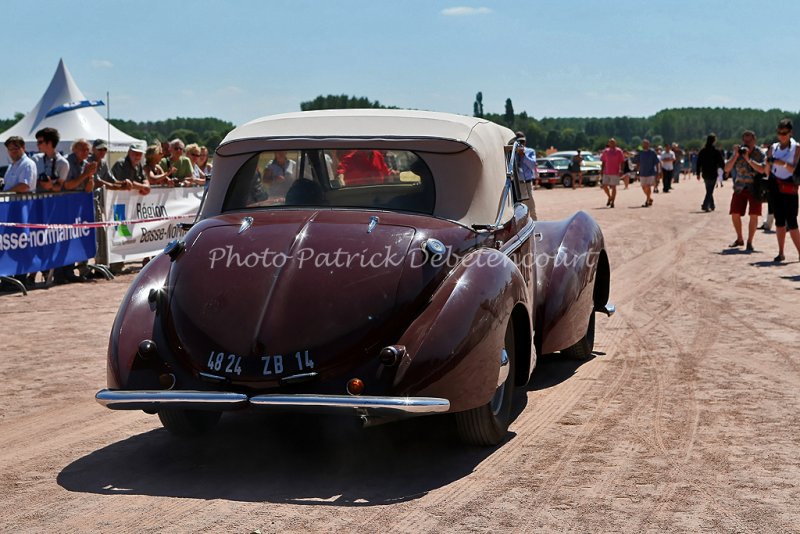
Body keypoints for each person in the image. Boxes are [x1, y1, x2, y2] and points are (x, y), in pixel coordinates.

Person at [724, 130, 766, 252]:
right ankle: (739, 238)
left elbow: (763, 169)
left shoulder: (759, 153)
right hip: (739, 187)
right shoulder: (739, 152)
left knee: (754, 214)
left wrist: (748, 160)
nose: (746, 143)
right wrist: (736, 155)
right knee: (735, 213)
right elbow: (727, 168)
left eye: (749, 140)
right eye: (745, 140)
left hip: (755, 187)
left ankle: (750, 242)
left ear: (754, 140)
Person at [765, 118, 800, 263]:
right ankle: (780, 252)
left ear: (790, 132)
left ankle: (799, 252)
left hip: (789, 186)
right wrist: (767, 164)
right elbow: (767, 169)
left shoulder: (797, 148)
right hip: (774, 185)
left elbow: (796, 170)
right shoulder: (773, 148)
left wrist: (783, 164)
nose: (782, 135)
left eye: (784, 133)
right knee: (779, 221)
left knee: (792, 222)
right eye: (779, 132)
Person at [31, 127, 69, 193]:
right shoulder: (35, 159)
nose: (37, 145)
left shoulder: (63, 163)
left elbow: (59, 186)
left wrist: (51, 186)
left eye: (40, 142)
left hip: (53, 201)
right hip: (36, 200)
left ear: (49, 143)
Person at [696, 133, 725, 212]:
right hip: (713, 172)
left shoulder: (702, 151)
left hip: (705, 172)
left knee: (709, 189)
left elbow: (698, 163)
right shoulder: (716, 151)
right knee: (710, 190)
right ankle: (705, 205)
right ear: (714, 141)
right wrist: (723, 170)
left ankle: (712, 205)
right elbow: (721, 162)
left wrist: (698, 173)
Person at [514, 136, 538, 220]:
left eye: (522, 141)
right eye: (519, 141)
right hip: (517, 183)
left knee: (530, 204)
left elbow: (532, 165)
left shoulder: (530, 151)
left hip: (527, 182)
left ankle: (535, 222)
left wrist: (523, 156)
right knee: (518, 206)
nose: (521, 143)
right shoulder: (513, 152)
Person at [633, 139, 659, 207]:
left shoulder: (652, 153)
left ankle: (647, 201)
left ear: (649, 145)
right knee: (643, 187)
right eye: (644, 144)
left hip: (650, 172)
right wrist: (637, 172)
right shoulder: (641, 153)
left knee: (648, 186)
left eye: (646, 144)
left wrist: (658, 172)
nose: (645, 145)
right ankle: (649, 198)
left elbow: (656, 162)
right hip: (642, 172)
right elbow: (638, 163)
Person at [600, 138, 624, 208]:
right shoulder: (606, 151)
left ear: (615, 143)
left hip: (615, 171)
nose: (612, 144)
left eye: (613, 142)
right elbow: (603, 161)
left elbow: (622, 161)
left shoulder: (619, 151)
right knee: (604, 186)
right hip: (606, 171)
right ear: (608, 143)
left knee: (613, 187)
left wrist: (621, 170)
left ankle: (613, 202)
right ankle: (609, 197)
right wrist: (602, 169)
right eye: (611, 142)